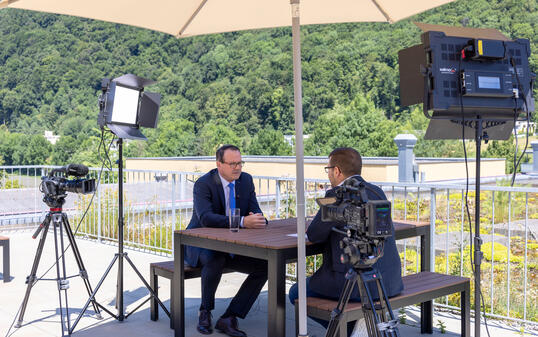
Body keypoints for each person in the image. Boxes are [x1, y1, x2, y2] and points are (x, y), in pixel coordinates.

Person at [289, 147, 403, 336]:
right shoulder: (376, 192)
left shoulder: (338, 195)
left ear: (337, 171)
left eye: (328, 170)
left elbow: (315, 234)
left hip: (357, 283)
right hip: (388, 280)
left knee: (295, 292)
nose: (329, 175)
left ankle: (346, 331)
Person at [185, 144, 268, 337]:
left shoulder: (246, 180)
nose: (237, 168)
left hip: (232, 244)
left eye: (240, 163)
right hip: (199, 244)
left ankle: (230, 316)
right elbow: (205, 218)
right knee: (216, 257)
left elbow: (255, 210)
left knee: (266, 265)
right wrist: (241, 221)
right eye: (232, 164)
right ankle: (205, 311)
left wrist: (258, 219)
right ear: (219, 164)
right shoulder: (204, 183)